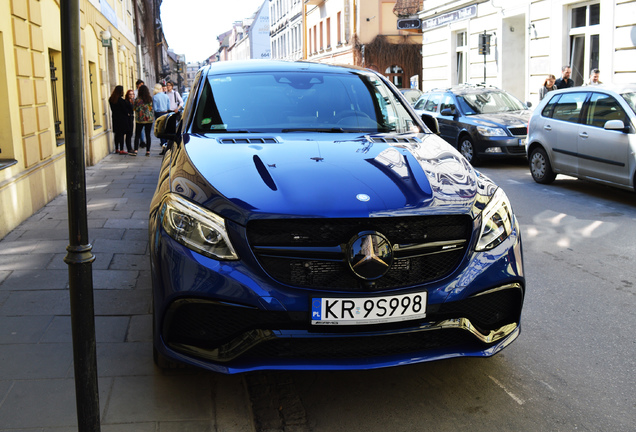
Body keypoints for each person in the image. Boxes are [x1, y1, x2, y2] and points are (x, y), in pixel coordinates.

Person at [134, 84, 154, 156]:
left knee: (137, 135)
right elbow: (151, 108)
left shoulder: (137, 99)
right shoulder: (150, 99)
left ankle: (136, 150)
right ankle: (148, 151)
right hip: (149, 119)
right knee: (148, 135)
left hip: (140, 119)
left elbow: (134, 108)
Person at [108, 85, 129, 155]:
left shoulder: (111, 99)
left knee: (116, 134)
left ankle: (116, 148)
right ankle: (122, 149)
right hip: (122, 119)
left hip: (115, 118)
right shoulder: (121, 101)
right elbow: (125, 110)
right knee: (121, 134)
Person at [153, 83, 170, 155]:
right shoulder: (166, 96)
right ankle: (167, 145)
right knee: (166, 130)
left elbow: (155, 108)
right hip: (166, 113)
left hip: (159, 114)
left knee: (160, 130)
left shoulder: (155, 97)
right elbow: (168, 107)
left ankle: (163, 146)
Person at [122, 89, 135, 154]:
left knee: (130, 133)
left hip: (131, 118)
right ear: (127, 95)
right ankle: (129, 148)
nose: (131, 95)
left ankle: (130, 147)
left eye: (132, 94)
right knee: (128, 133)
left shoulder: (132, 101)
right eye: (130, 94)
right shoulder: (126, 101)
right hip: (127, 119)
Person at [135, 79, 147, 148]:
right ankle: (142, 141)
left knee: (146, 131)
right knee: (141, 130)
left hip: (146, 115)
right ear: (137, 85)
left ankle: (144, 143)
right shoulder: (135, 92)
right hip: (139, 115)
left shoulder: (146, 94)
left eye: (142, 85)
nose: (141, 86)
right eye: (140, 85)